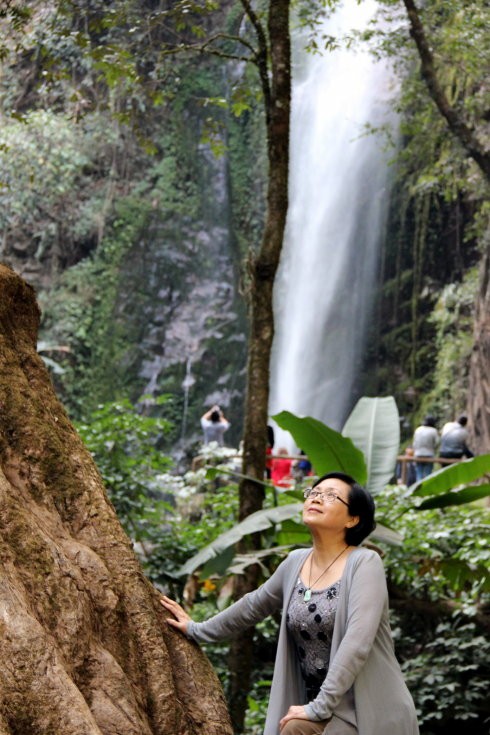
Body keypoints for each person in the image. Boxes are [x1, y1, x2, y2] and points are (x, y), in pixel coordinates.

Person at [161, 472, 419, 735]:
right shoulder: (295, 562)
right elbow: (252, 605)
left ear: (353, 519)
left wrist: (319, 707)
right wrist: (197, 629)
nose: (317, 499)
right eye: (314, 493)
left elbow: (357, 642)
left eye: (330, 496)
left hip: (368, 708)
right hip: (320, 709)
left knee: (295, 729)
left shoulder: (365, 563)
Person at [412, 415, 439, 481]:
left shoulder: (418, 429)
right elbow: (437, 442)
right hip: (429, 454)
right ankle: (427, 489)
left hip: (418, 454)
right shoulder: (433, 430)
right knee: (428, 474)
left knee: (419, 473)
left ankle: (418, 488)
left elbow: (414, 443)